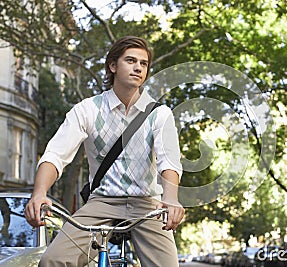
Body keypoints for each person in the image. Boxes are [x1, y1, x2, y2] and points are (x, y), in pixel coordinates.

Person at [24, 36, 185, 266]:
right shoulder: (88, 109)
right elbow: (55, 156)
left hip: (147, 204)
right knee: (53, 260)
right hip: (102, 202)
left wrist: (170, 199)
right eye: (130, 60)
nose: (138, 67)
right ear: (112, 65)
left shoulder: (159, 114)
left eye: (144, 63)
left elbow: (168, 161)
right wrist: (39, 193)